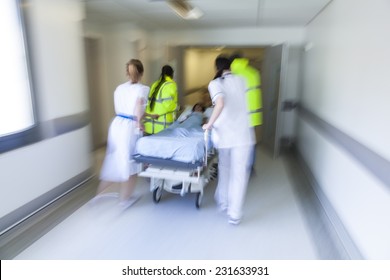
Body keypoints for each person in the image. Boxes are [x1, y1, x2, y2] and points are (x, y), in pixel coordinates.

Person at [202, 56, 255, 225]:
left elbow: (220, 103)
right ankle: (235, 214)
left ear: (216, 67)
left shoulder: (215, 83)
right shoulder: (242, 80)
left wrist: (208, 124)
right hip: (243, 135)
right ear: (230, 66)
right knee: (239, 174)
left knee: (225, 168)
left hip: (225, 134)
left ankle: (223, 202)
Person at [90, 59, 149, 209]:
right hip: (130, 127)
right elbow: (137, 109)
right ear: (141, 72)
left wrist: (145, 116)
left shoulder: (119, 88)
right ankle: (125, 200)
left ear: (127, 73)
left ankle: (98, 195)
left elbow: (128, 108)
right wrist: (138, 124)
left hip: (117, 124)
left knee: (114, 159)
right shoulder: (142, 89)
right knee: (131, 163)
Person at [230, 52, 262, 175]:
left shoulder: (232, 74)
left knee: (236, 142)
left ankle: (237, 167)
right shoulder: (254, 73)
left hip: (237, 116)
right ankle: (250, 167)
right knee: (250, 142)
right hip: (253, 116)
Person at [144, 65, 178, 135]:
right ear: (172, 74)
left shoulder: (155, 84)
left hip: (149, 125)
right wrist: (177, 107)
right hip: (161, 126)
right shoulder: (170, 85)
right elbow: (168, 105)